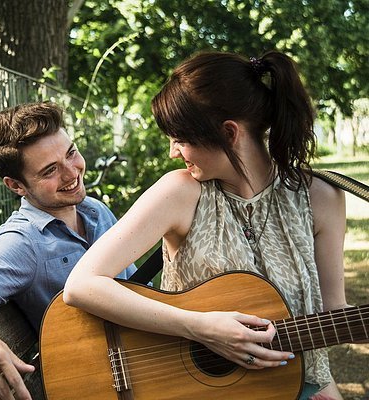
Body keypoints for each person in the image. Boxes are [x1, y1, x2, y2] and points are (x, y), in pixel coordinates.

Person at [64, 50, 347, 400]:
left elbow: (332, 314)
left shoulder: (321, 197)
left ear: (229, 133)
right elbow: (81, 285)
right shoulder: (180, 192)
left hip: (289, 387)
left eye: (180, 138)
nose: (173, 152)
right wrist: (201, 328)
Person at [0, 101, 136, 400]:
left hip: (147, 365)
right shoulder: (21, 242)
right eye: (50, 171)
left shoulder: (95, 211)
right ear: (16, 185)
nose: (72, 173)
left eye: (71, 153)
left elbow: (139, 288)